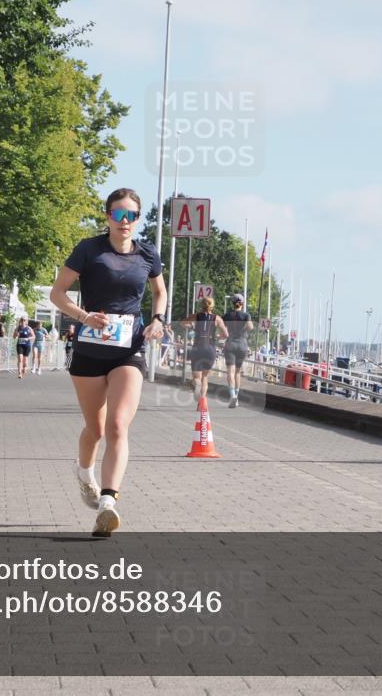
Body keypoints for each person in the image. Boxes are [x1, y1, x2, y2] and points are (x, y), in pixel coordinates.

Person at [49, 187, 166, 537]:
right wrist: (84, 317)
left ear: (138, 219)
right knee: (95, 429)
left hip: (129, 349)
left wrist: (158, 321)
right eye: (118, 215)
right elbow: (58, 293)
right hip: (89, 349)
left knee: (117, 425)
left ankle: (108, 503)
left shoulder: (148, 253)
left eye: (132, 215)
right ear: (107, 217)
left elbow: (159, 292)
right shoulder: (89, 249)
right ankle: (85, 473)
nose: (125, 221)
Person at [183, 296, 228, 402]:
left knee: (197, 377)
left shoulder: (196, 316)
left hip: (197, 347)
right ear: (212, 306)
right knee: (205, 377)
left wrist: (192, 327)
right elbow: (226, 334)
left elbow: (183, 323)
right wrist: (217, 336)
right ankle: (202, 402)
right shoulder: (217, 318)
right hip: (210, 348)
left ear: (201, 305)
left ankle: (197, 386)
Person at [222, 293, 253, 408]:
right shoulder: (246, 315)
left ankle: (232, 396)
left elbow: (223, 329)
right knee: (238, 372)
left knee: (230, 371)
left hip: (230, 344)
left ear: (233, 303)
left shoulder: (227, 315)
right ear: (242, 304)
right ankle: (237, 397)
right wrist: (243, 328)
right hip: (242, 344)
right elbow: (251, 327)